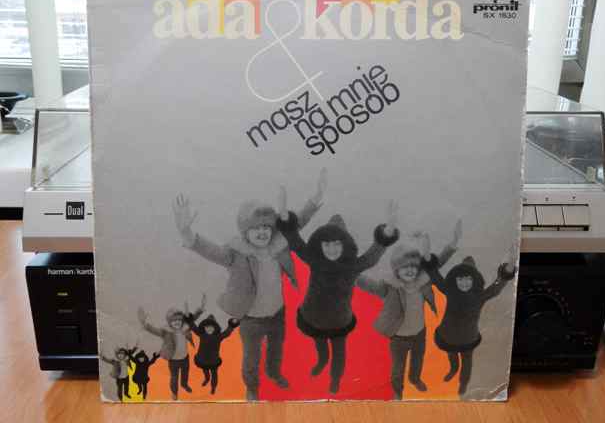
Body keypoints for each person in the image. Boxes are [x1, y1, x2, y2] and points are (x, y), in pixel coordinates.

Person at [173, 169, 327, 400]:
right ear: (245, 231)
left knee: (276, 349)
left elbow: (298, 223)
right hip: (251, 319)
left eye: (266, 227)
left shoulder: (279, 244)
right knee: (252, 358)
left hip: (277, 313)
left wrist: (315, 198)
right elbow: (210, 250)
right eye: (256, 228)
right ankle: (252, 388)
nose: (262, 232)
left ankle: (274, 373)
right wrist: (187, 232)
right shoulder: (236, 253)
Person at [276, 196, 399, 394]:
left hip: (339, 321)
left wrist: (388, 232)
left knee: (339, 353)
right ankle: (322, 361)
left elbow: (372, 256)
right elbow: (295, 242)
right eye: (326, 245)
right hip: (313, 317)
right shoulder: (315, 260)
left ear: (345, 245)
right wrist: (284, 217)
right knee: (320, 344)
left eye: (336, 244)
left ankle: (335, 380)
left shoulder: (352, 266)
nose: (331, 249)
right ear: (319, 245)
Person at [356, 228, 459, 399]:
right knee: (398, 368)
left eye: (413, 266)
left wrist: (452, 245)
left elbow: (436, 264)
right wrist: (351, 274)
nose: (410, 270)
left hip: (419, 333)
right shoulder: (389, 287)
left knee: (418, 360)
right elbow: (370, 285)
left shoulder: (422, 281)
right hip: (399, 338)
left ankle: (414, 378)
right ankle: (397, 392)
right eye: (404, 267)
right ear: (397, 270)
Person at [420, 231, 516, 396]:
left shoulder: (480, 296)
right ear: (454, 280)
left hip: (468, 338)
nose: (464, 282)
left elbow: (498, 285)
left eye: (468, 279)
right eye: (460, 279)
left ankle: (463, 384)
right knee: (452, 356)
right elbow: (433, 273)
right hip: (447, 336)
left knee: (467, 363)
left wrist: (510, 264)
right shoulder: (449, 290)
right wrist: (426, 249)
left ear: (474, 280)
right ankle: (453, 370)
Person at [137, 295, 205, 400]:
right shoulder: (166, 332)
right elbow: (154, 330)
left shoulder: (185, 327)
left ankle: (184, 384)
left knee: (185, 374)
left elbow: (192, 319)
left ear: (182, 321)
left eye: (179, 320)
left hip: (185, 358)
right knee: (174, 377)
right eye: (174, 321)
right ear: (169, 322)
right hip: (173, 360)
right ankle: (174, 393)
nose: (177, 322)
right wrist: (145, 324)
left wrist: (200, 310)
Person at [185, 312, 240, 394]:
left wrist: (232, 324)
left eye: (212, 327)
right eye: (207, 327)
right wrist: (189, 320)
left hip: (213, 360)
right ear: (204, 328)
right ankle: (207, 379)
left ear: (215, 328)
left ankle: (213, 387)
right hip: (202, 359)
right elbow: (194, 327)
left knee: (214, 374)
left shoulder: (219, 336)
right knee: (205, 371)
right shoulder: (201, 334)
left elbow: (227, 333)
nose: (209, 329)